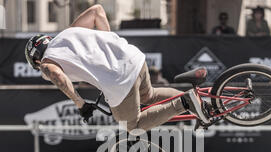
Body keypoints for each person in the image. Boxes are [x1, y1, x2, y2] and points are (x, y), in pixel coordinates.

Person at [24, 5, 208, 133]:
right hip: (133, 57)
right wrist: (109, 44)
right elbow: (97, 10)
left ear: (37, 59)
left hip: (119, 79)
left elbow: (56, 75)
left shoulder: (47, 63)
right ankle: (195, 101)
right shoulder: (69, 32)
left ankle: (184, 103)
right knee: (148, 96)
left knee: (133, 126)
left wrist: (80, 103)